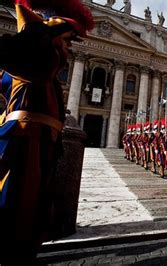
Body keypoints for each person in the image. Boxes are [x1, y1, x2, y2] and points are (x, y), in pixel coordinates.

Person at [0, 0, 94, 262]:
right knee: (16, 213)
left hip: (41, 147)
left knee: (33, 217)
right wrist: (44, 27)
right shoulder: (34, 61)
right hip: (21, 147)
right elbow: (27, 52)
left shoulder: (45, 67)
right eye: (67, 41)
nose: (68, 48)